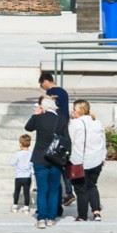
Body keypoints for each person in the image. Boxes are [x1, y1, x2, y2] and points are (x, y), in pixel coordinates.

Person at [25, 95, 68, 228]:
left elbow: (28, 128)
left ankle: (41, 219)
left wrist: (35, 114)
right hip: (56, 159)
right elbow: (67, 139)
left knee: (42, 190)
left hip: (40, 158)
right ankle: (51, 218)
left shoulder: (39, 118)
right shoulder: (61, 119)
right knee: (54, 189)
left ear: (42, 107)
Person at [69, 99, 108, 222]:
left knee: (81, 189)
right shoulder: (97, 123)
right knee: (92, 186)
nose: (72, 112)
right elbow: (103, 142)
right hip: (97, 160)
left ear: (80, 111)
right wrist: (103, 157)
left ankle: (82, 216)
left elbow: (70, 142)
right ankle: (96, 212)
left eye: (74, 109)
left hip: (80, 161)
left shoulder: (76, 123)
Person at [40, 72, 74, 206]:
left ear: (45, 81)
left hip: (55, 131)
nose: (43, 87)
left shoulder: (52, 92)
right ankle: (69, 191)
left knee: (54, 161)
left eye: (42, 84)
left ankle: (64, 193)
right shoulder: (64, 92)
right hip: (64, 129)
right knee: (63, 162)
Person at [11, 133, 34, 212]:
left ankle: (15, 206)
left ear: (20, 144)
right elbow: (32, 164)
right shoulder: (31, 154)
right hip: (27, 176)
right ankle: (26, 207)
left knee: (17, 191)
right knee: (26, 192)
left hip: (18, 176)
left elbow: (12, 163)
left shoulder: (17, 153)